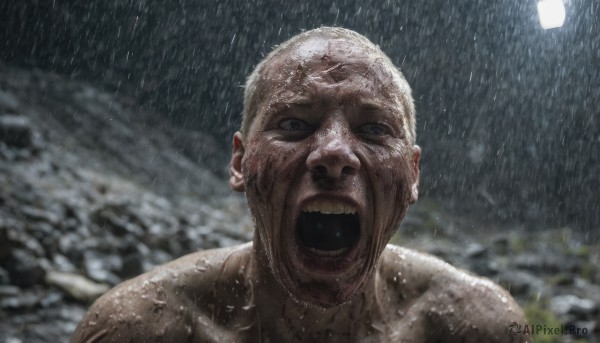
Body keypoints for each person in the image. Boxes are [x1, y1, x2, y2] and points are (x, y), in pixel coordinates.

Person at [72, 27, 527, 342]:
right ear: (240, 161)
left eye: (372, 131)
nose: (333, 153)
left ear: (412, 175)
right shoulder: (142, 329)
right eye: (293, 123)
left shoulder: (474, 327)